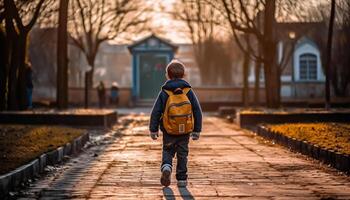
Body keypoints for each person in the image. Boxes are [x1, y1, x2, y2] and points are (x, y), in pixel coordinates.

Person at [149, 59, 202, 187]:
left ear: (168, 75)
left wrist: (153, 129)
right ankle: (182, 179)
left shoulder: (165, 92)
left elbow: (156, 111)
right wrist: (197, 130)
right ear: (184, 75)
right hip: (185, 130)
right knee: (182, 154)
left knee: (167, 150)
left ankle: (167, 167)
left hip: (168, 129)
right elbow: (196, 110)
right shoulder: (188, 91)